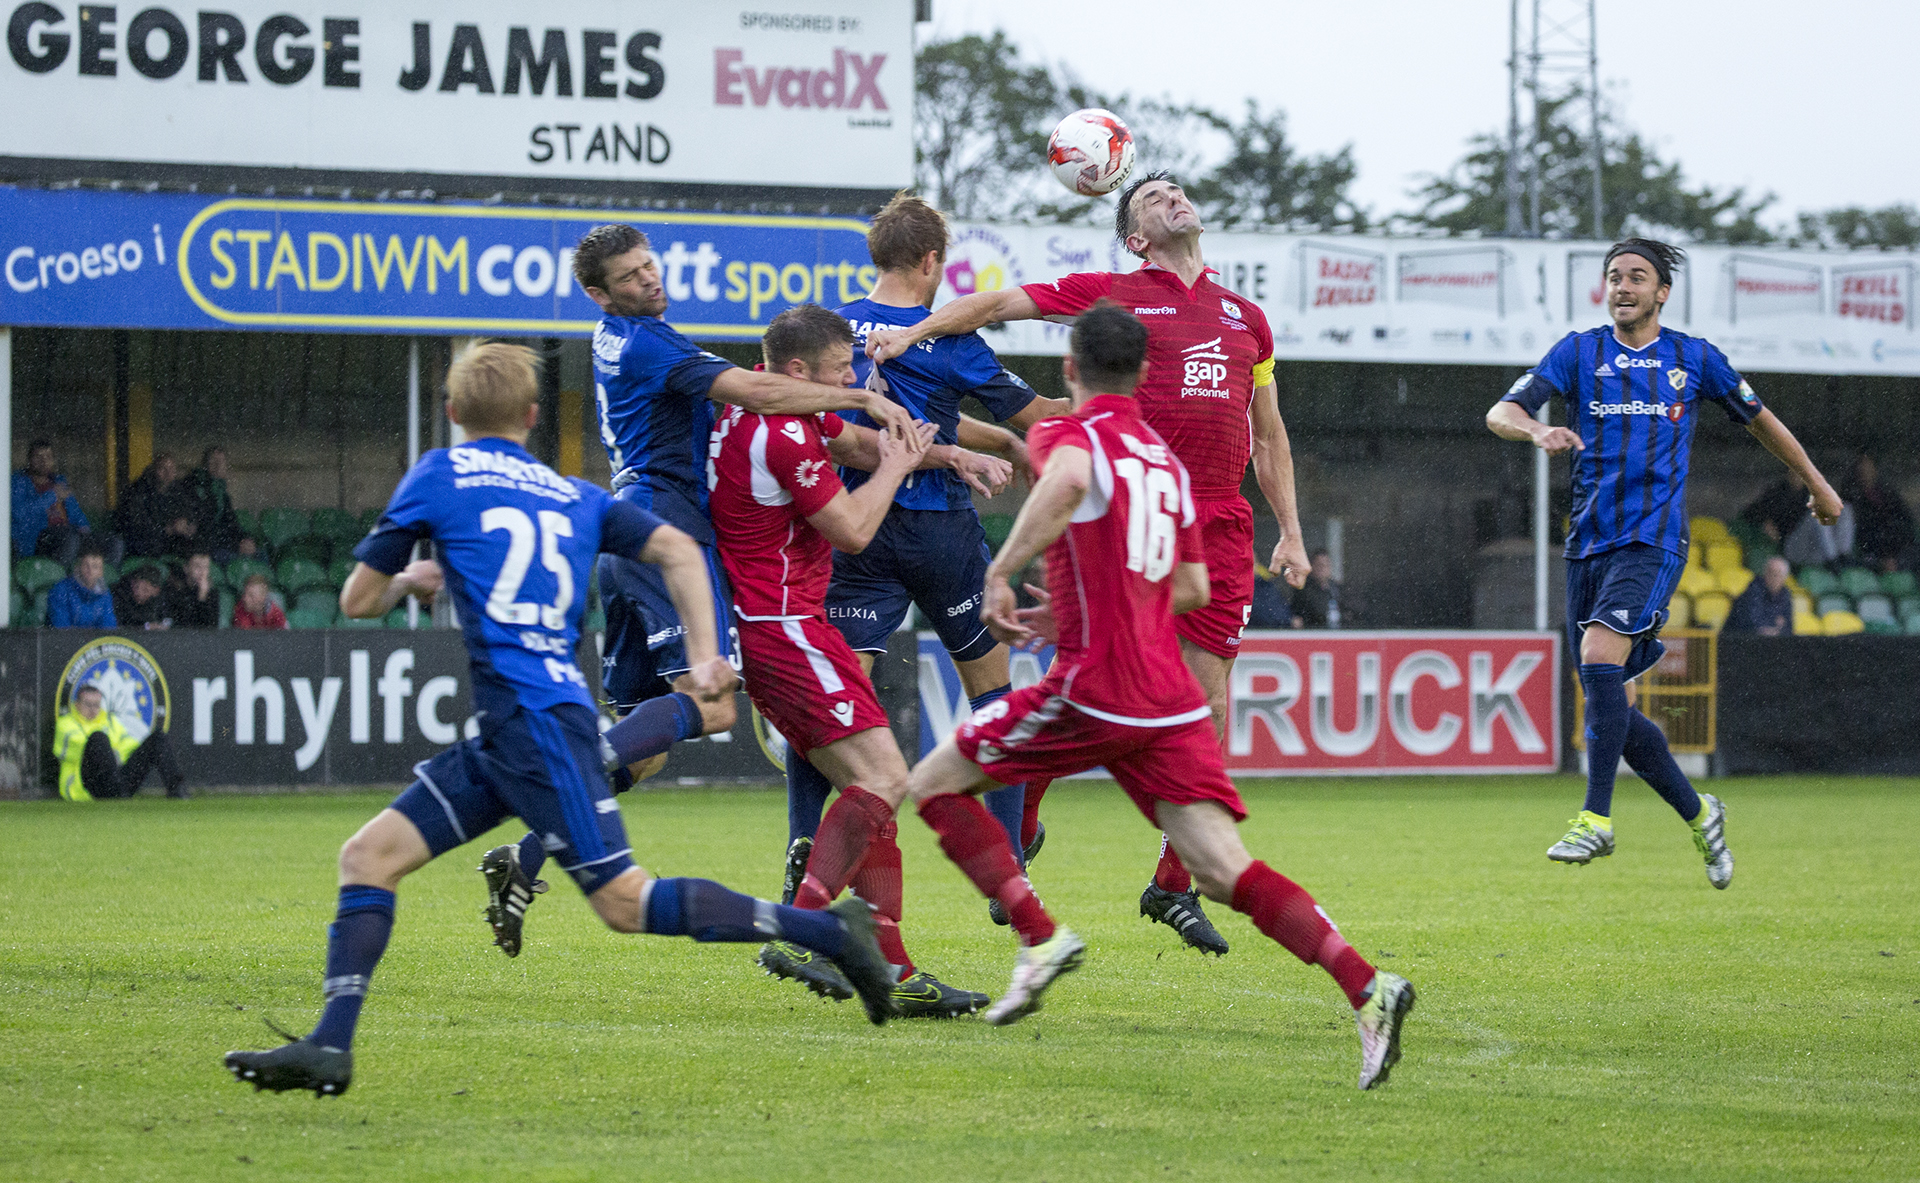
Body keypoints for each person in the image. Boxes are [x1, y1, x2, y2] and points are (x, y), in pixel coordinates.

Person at [223, 343, 898, 1100]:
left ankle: (829, 931)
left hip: (535, 728)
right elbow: (676, 547)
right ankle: (330, 1046)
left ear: (451, 415)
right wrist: (707, 655)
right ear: (534, 417)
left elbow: (356, 601)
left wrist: (413, 577)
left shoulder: (438, 474)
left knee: (626, 902)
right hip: (517, 729)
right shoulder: (569, 491)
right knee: (368, 856)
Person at [834, 305, 1412, 1088]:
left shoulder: (1070, 436)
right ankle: (1368, 987)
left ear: (1070, 373)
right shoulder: (1165, 462)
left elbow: (1066, 482)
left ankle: (1038, 937)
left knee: (929, 782)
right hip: (1168, 699)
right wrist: (1073, 606)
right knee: (1221, 868)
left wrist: (1001, 571)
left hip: (1097, 687)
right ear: (1144, 376)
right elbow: (1192, 586)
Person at [866, 172, 1313, 956]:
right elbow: (998, 305)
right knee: (1096, 694)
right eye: (1152, 199)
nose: (1173, 198)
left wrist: (1292, 532)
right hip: (1131, 515)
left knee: (1208, 711)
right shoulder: (1113, 291)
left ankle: (1171, 886)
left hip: (1223, 524)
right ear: (1135, 236)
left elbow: (1270, 435)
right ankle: (1025, 815)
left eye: (1177, 190)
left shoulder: (1249, 319)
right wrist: (912, 334)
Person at [1487, 237, 1842, 887]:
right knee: (1609, 702)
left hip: (1652, 542)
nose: (1622, 286)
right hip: (1585, 547)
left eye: (1637, 277)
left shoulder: (1693, 359)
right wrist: (1537, 430)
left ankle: (1596, 816)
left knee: (1599, 664)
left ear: (1662, 293)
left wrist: (1816, 482)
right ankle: (1701, 811)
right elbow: (1502, 410)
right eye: (1614, 276)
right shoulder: (1578, 351)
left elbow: (1761, 420)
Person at [780, 192, 1065, 930]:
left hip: (858, 525)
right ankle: (1007, 866)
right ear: (933, 261)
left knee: (834, 708)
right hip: (939, 530)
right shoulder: (950, 336)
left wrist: (977, 440)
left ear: (877, 256)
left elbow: (888, 416)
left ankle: (805, 843)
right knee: (994, 694)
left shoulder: (836, 328)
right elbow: (1034, 417)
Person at [706, 305, 990, 1018]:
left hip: (790, 626)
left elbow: (860, 443)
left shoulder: (785, 414)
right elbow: (857, 530)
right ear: (798, 372)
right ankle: (801, 930)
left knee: (872, 793)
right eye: (841, 372)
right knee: (887, 777)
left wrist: (944, 453)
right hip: (785, 629)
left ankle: (894, 967)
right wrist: (899, 466)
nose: (853, 381)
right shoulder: (782, 435)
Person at [574, 223, 915, 786]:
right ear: (600, 295)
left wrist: (954, 454)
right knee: (713, 703)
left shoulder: (614, 336)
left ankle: (530, 848)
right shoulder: (646, 342)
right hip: (668, 528)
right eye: (629, 277)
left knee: (642, 744)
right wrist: (857, 396)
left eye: (647, 265)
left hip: (626, 533)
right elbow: (756, 392)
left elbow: (848, 442)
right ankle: (561, 770)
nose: (648, 280)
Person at [53, 682, 187, 801]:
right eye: (88, 704)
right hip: (88, 787)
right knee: (98, 739)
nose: (93, 709)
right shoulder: (66, 723)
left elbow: (130, 745)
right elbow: (81, 749)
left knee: (157, 739)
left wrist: (113, 753)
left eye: (96, 705)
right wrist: (110, 751)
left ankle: (177, 791)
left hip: (118, 782)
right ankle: (117, 792)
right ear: (77, 704)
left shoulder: (110, 721)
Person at [13, 439, 112, 564]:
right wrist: (51, 496)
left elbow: (76, 513)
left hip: (68, 534)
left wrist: (85, 530)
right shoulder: (19, 482)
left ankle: (99, 582)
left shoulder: (59, 481)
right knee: (69, 537)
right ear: (29, 460)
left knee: (112, 543)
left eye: (48, 457)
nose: (44, 461)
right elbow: (19, 514)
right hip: (39, 539)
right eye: (38, 457)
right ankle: (65, 581)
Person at [1844, 452, 1914, 572]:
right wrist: (1885, 556)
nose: (1864, 471)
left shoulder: (1889, 495)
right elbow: (1864, 531)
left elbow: (1906, 522)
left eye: (1868, 467)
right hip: (1871, 551)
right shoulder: (1851, 498)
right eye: (1861, 467)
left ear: (1875, 470)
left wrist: (1892, 554)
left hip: (1897, 549)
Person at [184, 446, 245, 561]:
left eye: (221, 462)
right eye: (213, 461)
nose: (218, 466)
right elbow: (205, 523)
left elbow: (231, 520)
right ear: (205, 465)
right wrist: (232, 542)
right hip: (204, 546)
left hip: (221, 542)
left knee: (259, 555)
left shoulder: (221, 491)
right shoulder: (194, 485)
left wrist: (244, 539)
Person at [1724, 555, 1793, 635]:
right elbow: (1753, 623)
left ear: (1785, 578)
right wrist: (1775, 623)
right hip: (1737, 640)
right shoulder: (1753, 590)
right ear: (1765, 573)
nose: (1774, 578)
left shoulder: (1785, 594)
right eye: (1771, 573)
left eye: (1778, 575)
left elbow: (1788, 627)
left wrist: (1775, 628)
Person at [46, 550, 116, 628]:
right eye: (86, 565)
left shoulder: (105, 594)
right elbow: (61, 627)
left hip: (93, 639)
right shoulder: (61, 590)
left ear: (101, 572)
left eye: (95, 566)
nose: (90, 571)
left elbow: (109, 627)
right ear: (77, 568)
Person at [1289, 549, 1342, 628]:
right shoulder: (1303, 590)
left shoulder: (1337, 588)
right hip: (1315, 634)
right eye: (1319, 565)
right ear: (1311, 567)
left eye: (1325, 565)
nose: (1322, 569)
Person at [166, 552, 221, 629]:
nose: (202, 572)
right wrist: (201, 597)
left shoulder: (212, 593)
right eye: (197, 566)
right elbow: (186, 624)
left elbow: (211, 626)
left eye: (205, 567)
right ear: (186, 568)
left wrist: (203, 595)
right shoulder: (176, 590)